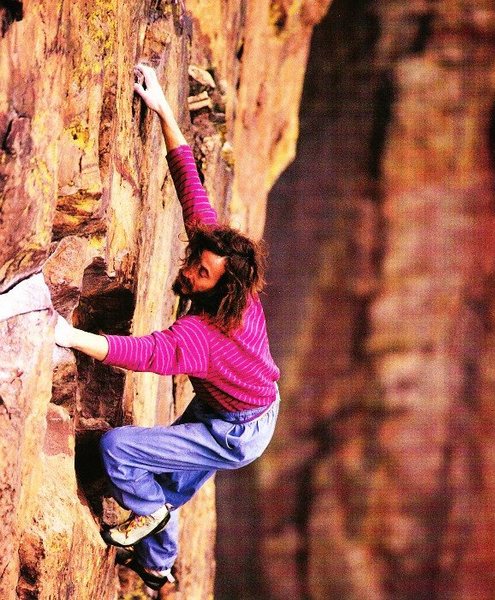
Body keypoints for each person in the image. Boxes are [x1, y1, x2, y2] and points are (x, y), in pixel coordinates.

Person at [54, 63, 280, 591]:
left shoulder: (207, 339)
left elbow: (144, 354)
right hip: (241, 404)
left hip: (236, 431)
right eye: (193, 263)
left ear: (221, 288)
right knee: (171, 482)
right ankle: (157, 566)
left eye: (199, 275)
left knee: (118, 451)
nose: (187, 273)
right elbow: (191, 187)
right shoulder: (230, 276)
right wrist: (163, 108)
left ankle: (149, 516)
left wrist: (66, 336)